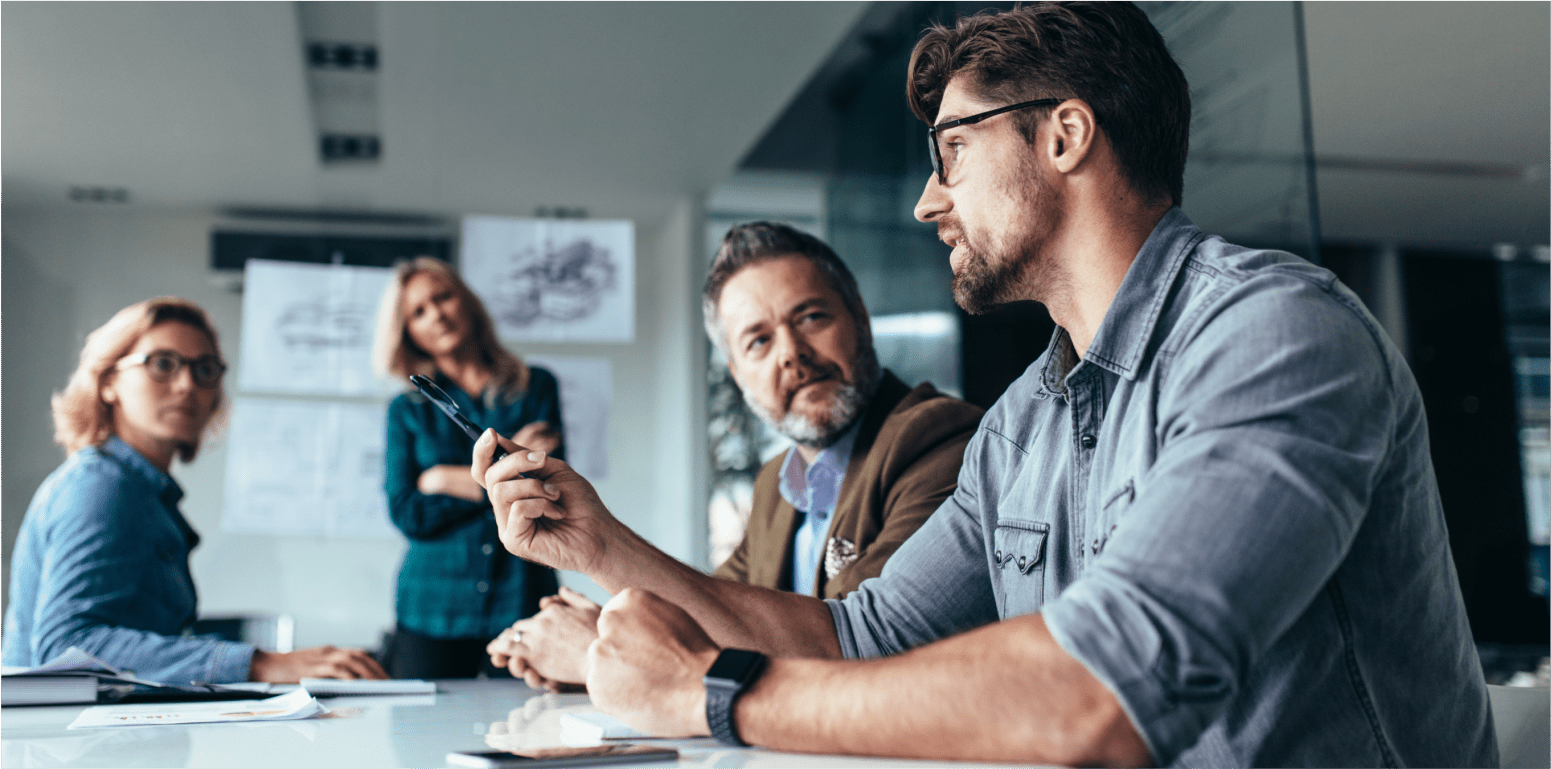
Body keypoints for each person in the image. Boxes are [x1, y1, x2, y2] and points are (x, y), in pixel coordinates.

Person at [471, 3, 1497, 767]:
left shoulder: (1276, 333)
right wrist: (597, 543)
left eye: (953, 152)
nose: (927, 200)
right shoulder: (1024, 424)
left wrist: (714, 693)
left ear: (1064, 136)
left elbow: (1105, 693)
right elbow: (859, 636)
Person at [485, 223, 984, 690]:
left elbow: (853, 650)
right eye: (759, 341)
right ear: (737, 372)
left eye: (811, 317)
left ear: (859, 316)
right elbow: (717, 614)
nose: (791, 353)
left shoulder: (940, 439)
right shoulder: (777, 483)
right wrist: (611, 625)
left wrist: (599, 651)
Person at [2, 297, 387, 684]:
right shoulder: (101, 486)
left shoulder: (145, 494)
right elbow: (65, 648)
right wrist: (259, 663)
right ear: (108, 382)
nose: (187, 385)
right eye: (162, 364)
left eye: (204, 370)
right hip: (63, 741)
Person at [374, 257, 563, 679]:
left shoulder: (536, 388)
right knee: (420, 739)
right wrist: (501, 479)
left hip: (521, 599)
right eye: (418, 312)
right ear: (408, 333)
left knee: (526, 731)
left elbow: (546, 490)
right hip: (432, 608)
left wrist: (441, 479)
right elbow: (408, 512)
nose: (436, 314)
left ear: (467, 302)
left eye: (443, 298)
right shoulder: (406, 411)